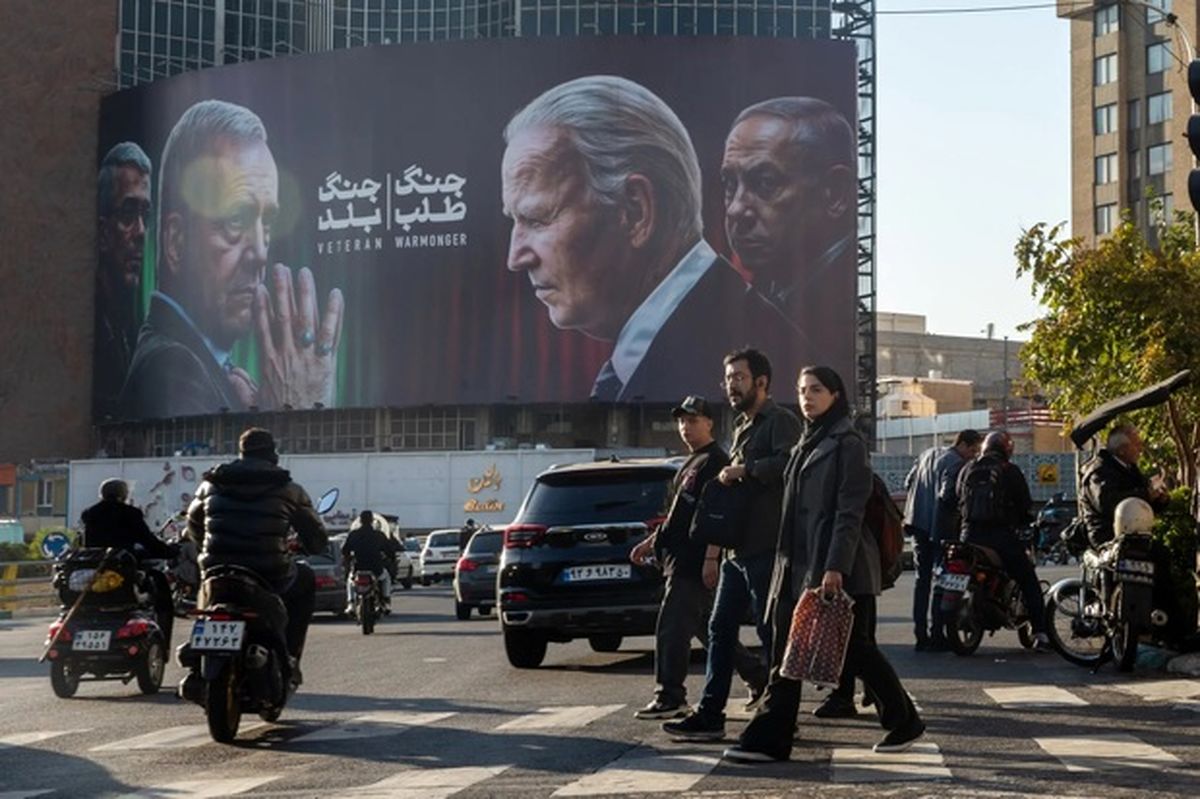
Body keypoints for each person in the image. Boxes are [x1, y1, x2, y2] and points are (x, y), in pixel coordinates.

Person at [501, 75, 793, 402]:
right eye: (514, 221)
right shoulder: (722, 333)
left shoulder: (728, 365)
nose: (515, 258)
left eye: (538, 219)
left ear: (636, 210)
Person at [725, 366, 925, 764]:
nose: (807, 397)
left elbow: (848, 512)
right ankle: (771, 736)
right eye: (801, 390)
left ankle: (904, 720)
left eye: (817, 390)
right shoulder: (806, 441)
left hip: (830, 566)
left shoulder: (847, 443)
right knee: (786, 651)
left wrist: (834, 567)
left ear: (836, 395)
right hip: (793, 566)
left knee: (854, 651)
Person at [119, 99, 344, 420]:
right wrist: (299, 411)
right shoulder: (174, 371)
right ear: (176, 242)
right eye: (236, 219)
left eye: (266, 223)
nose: (260, 254)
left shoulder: (201, 365)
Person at [662, 349, 796, 741]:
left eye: (739, 376)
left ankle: (778, 713)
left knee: (771, 632)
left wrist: (746, 469)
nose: (731, 384)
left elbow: (790, 465)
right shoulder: (741, 426)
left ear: (761, 382)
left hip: (767, 545)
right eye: (728, 377)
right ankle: (710, 714)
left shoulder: (780, 421)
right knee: (720, 629)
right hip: (737, 549)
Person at [629, 395, 765, 721]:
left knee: (672, 626)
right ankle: (758, 677)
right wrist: (652, 541)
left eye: (693, 421)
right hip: (679, 556)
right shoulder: (691, 462)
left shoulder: (715, 461)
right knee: (707, 628)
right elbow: (678, 514)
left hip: (693, 559)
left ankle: (670, 695)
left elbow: (718, 513)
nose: (685, 428)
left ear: (709, 423)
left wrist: (711, 557)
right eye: (682, 421)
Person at [721, 98, 855, 370]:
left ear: (835, 193)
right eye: (729, 184)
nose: (736, 209)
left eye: (766, 183)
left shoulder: (839, 307)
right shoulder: (753, 297)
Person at [186, 428, 327, 683]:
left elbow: (193, 523)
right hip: (270, 573)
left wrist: (205, 549)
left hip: (217, 566)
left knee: (205, 592)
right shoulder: (289, 489)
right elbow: (315, 536)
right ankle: (291, 656)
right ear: (273, 454)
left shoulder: (210, 484)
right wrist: (311, 546)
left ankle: (195, 657)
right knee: (305, 576)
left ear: (241, 453)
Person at [1079, 423, 1180, 637]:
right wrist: (1145, 494)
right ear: (1122, 449)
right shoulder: (1098, 470)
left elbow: (1143, 502)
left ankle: (1166, 625)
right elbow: (1107, 503)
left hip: (1135, 533)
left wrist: (1159, 499)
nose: (1140, 449)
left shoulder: (1130, 469)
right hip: (1106, 534)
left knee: (1161, 559)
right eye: (1136, 444)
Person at [956, 430, 1048, 648]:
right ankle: (1041, 633)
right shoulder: (1009, 470)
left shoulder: (967, 469)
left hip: (968, 535)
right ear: (1008, 449)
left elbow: (956, 499)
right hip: (1000, 538)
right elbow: (1025, 504)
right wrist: (1024, 521)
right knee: (1028, 580)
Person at [905, 429, 983, 654]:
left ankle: (921, 636)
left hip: (917, 522)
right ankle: (937, 633)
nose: (974, 455)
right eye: (974, 450)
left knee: (922, 581)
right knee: (942, 581)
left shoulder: (927, 454)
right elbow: (947, 495)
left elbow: (909, 481)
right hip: (940, 529)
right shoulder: (956, 463)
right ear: (964, 445)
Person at [95, 142, 152, 421]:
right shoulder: (90, 329)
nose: (141, 232)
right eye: (128, 214)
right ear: (103, 232)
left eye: (146, 215)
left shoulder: (136, 329)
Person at [80, 477, 177, 642]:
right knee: (161, 589)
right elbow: (148, 541)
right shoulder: (130, 513)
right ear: (123, 495)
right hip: (124, 567)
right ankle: (163, 641)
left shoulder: (89, 513)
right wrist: (170, 551)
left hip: (96, 569)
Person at [342, 510, 396, 615]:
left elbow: (345, 550)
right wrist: (391, 558)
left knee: (350, 581)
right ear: (372, 521)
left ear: (360, 521)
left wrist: (348, 559)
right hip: (376, 568)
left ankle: (351, 604)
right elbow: (389, 550)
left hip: (358, 567)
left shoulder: (353, 534)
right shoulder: (379, 535)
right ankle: (385, 601)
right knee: (386, 578)